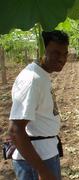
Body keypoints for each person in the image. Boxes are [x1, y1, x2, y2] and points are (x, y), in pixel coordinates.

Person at [8, 30, 69, 180]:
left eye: (65, 53)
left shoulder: (41, 75)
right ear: (41, 49)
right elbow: (16, 130)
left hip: (45, 153)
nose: (62, 58)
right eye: (55, 53)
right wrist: (43, 171)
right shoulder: (32, 80)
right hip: (37, 161)